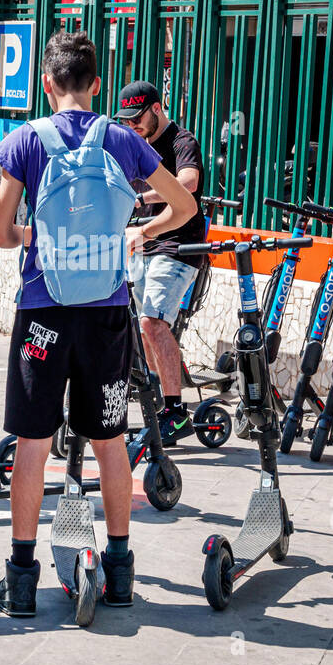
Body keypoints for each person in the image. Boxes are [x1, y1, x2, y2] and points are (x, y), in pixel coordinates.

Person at [0, 31, 196, 616]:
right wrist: (139, 233)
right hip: (106, 311)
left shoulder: (26, 140)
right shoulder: (124, 140)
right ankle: (122, 573)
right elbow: (184, 207)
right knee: (109, 441)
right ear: (98, 84)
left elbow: (0, 235)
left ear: (48, 84)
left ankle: (22, 579)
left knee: (32, 441)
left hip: (43, 313)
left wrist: (34, 235)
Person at [114, 80, 204, 443]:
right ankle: (159, 403)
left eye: (138, 118)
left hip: (178, 244)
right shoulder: (134, 145)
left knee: (152, 322)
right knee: (142, 330)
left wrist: (141, 197)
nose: (132, 126)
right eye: (127, 120)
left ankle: (176, 412)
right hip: (142, 241)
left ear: (157, 108)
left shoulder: (182, 141)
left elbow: (189, 183)